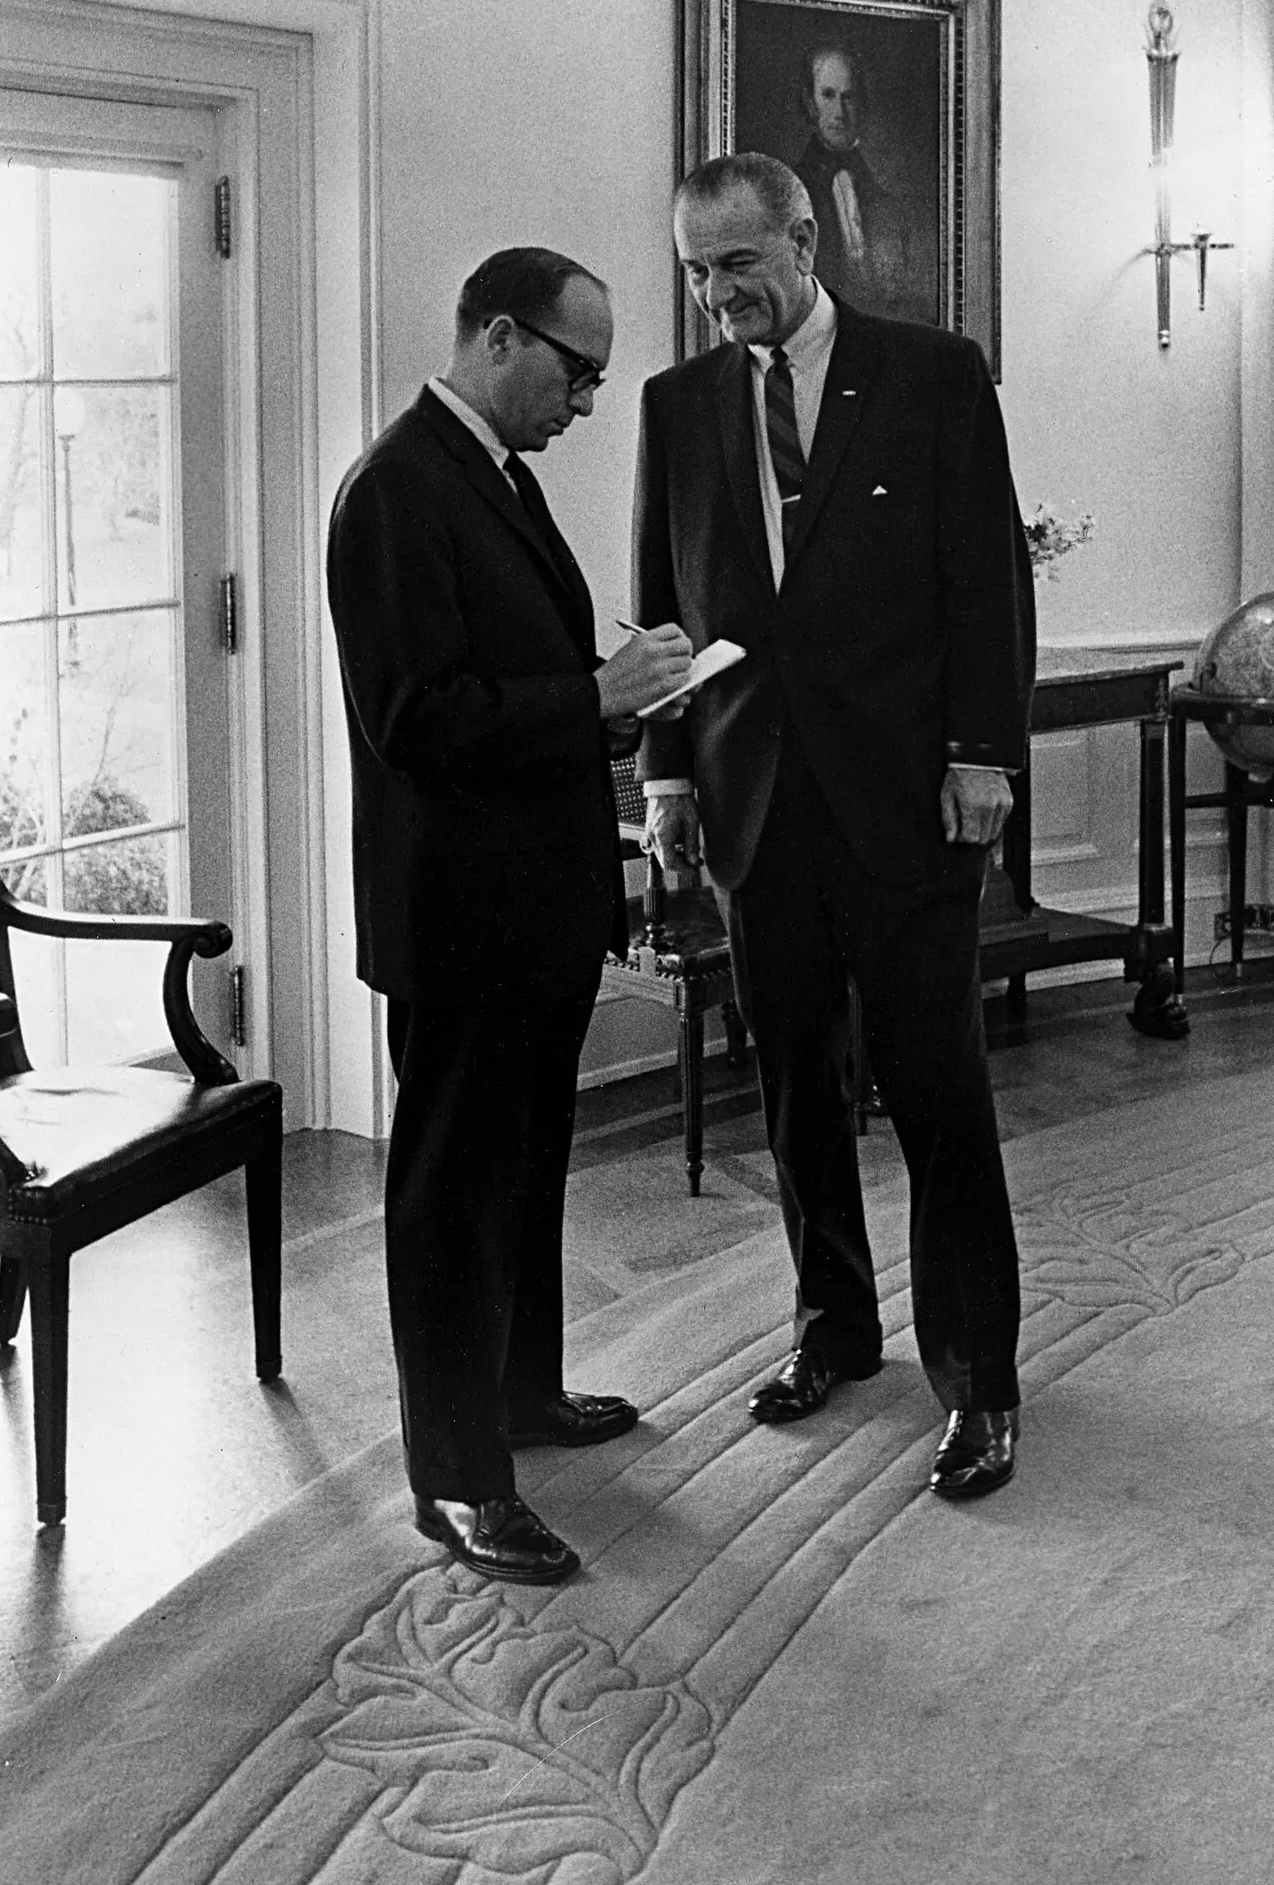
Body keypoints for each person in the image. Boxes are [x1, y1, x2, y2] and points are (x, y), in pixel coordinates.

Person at [633, 153, 1034, 1498]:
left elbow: (983, 579)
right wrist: (669, 781)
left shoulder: (927, 375)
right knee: (798, 1090)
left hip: (910, 802)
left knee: (936, 1095)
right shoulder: (676, 405)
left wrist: (983, 752)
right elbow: (663, 614)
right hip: (756, 810)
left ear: (803, 241)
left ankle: (977, 1383)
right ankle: (831, 1330)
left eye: (736, 264)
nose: (713, 295)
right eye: (695, 271)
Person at [327, 247, 692, 1582]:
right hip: (458, 924)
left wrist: (607, 702)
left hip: (530, 910)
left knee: (525, 1176)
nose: (585, 401)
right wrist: (595, 700)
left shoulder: (496, 478)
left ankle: (522, 1399)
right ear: (495, 336)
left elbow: (511, 690)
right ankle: (457, 1480)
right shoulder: (392, 493)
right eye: (573, 370)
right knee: (447, 1201)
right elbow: (411, 721)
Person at [793, 42, 937, 326]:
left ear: (862, 104)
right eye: (828, 96)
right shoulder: (793, 191)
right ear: (811, 103)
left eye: (849, 97)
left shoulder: (885, 198)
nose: (839, 112)